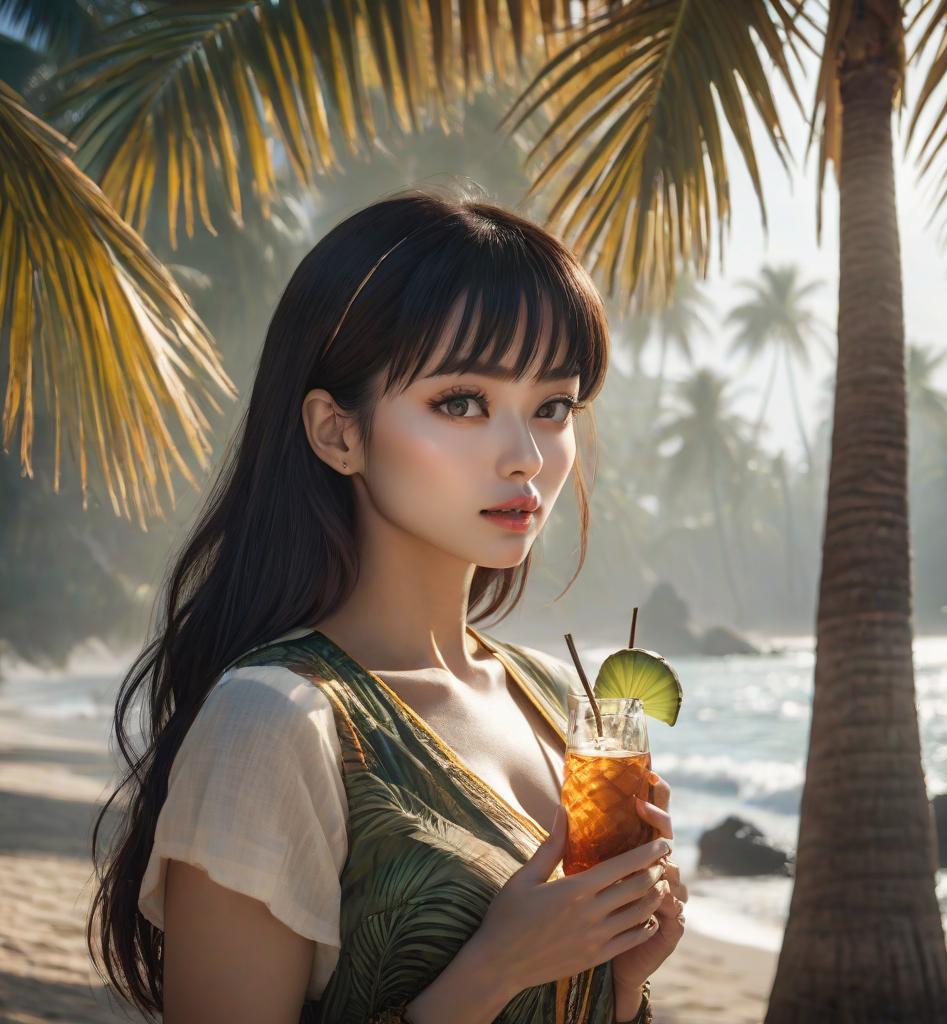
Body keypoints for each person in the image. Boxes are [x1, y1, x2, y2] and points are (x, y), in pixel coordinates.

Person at [87, 185, 688, 1024]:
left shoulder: (560, 701)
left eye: (551, 407)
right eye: (462, 402)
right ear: (338, 431)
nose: (525, 456)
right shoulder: (273, 724)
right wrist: (492, 971)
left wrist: (620, 980)